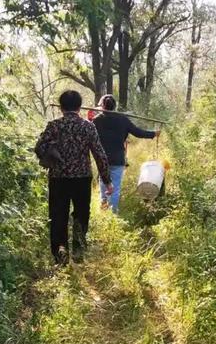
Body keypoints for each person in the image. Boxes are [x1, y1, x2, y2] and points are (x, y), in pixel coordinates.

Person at [35, 90, 112, 265]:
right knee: (82, 213)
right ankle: (78, 247)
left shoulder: (54, 126)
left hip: (58, 178)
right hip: (82, 178)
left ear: (61, 107)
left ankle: (60, 250)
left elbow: (39, 147)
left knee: (58, 214)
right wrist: (107, 180)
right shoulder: (88, 126)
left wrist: (52, 153)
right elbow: (99, 154)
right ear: (79, 107)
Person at [92, 94, 160, 213]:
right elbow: (138, 132)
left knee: (103, 183)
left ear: (102, 106)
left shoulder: (97, 120)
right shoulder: (123, 119)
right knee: (115, 187)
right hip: (118, 159)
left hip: (102, 159)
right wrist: (153, 134)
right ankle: (113, 213)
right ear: (114, 106)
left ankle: (104, 210)